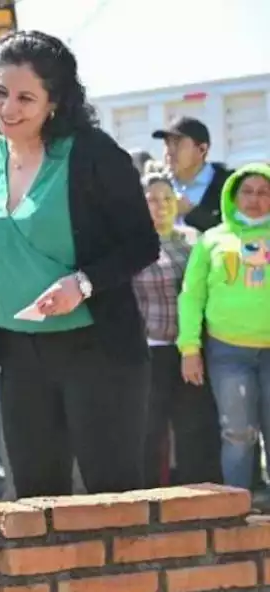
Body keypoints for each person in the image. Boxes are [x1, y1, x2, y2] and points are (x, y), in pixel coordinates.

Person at [0, 30, 158, 498]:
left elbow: (142, 243)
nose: (9, 108)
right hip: (20, 356)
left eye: (26, 97)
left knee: (112, 497)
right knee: (36, 498)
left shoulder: (93, 155)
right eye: (0, 92)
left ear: (54, 102)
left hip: (98, 352)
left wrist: (82, 284)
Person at [177, 164, 270, 489]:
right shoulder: (212, 240)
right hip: (228, 353)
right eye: (247, 191)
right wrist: (189, 348)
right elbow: (191, 296)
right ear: (232, 195)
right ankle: (237, 512)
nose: (254, 199)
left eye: (263, 192)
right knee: (237, 433)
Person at [133, 171, 222, 486]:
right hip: (150, 349)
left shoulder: (194, 240)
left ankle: (200, 498)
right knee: (149, 430)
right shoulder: (132, 244)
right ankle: (149, 500)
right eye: (153, 200)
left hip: (190, 349)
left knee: (194, 427)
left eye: (168, 199)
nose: (162, 206)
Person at [154, 116, 234, 233]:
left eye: (177, 144)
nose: (169, 151)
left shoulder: (228, 186)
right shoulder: (156, 185)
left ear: (202, 149)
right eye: (166, 144)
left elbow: (233, 233)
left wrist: (190, 212)